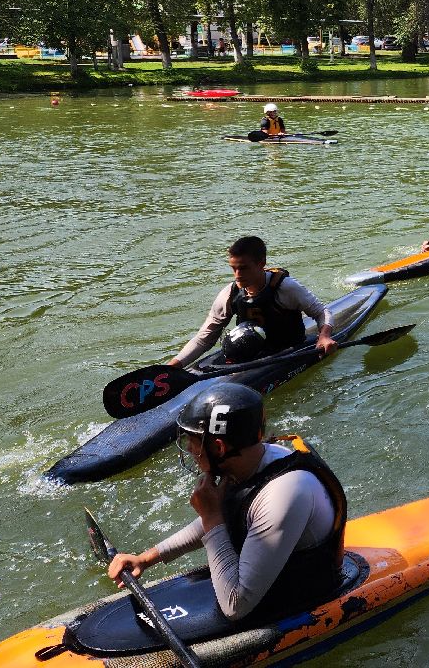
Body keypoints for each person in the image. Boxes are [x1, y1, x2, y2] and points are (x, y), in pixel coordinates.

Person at [105, 382, 347, 622]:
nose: (189, 448)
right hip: (276, 576)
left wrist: (212, 517)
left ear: (218, 447)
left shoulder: (283, 495)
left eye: (194, 441)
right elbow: (233, 514)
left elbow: (235, 606)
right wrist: (146, 559)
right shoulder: (249, 462)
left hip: (304, 595)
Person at [170, 236, 336, 367]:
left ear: (261, 263)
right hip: (249, 354)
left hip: (288, 349)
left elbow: (322, 312)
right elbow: (204, 338)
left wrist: (324, 336)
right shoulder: (229, 294)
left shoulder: (286, 288)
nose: (237, 275)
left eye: (243, 268)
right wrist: (174, 366)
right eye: (233, 268)